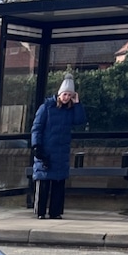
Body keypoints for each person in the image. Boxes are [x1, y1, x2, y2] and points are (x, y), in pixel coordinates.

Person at [31, 75, 88, 219]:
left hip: (61, 151)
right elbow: (37, 128)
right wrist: (36, 145)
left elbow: (80, 120)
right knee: (43, 183)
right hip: (46, 150)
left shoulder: (70, 110)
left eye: (70, 95)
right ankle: (40, 212)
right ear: (59, 93)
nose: (66, 97)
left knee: (58, 183)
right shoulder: (46, 108)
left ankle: (55, 212)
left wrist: (77, 104)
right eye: (65, 94)